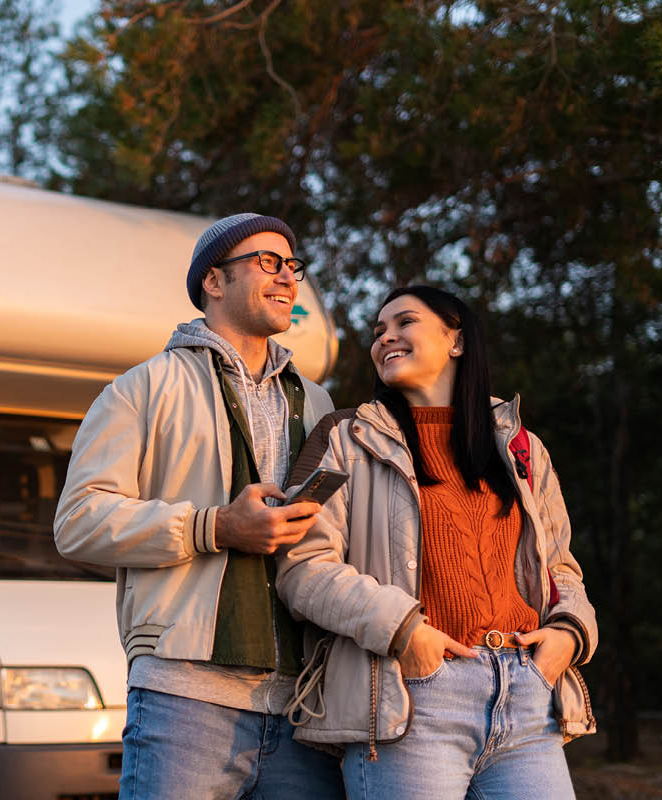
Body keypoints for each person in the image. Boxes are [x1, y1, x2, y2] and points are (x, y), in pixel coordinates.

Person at [54, 213, 346, 798]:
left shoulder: (318, 402)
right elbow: (78, 521)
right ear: (213, 281)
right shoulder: (142, 388)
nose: (287, 277)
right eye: (267, 262)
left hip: (305, 706)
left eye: (292, 266)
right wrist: (214, 527)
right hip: (184, 698)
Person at [276, 285, 597, 799]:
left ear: (457, 341)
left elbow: (560, 566)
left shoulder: (521, 447)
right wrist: (404, 631)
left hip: (526, 692)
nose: (387, 338)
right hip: (413, 695)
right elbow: (302, 567)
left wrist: (570, 634)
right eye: (379, 331)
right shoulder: (345, 438)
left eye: (405, 323)